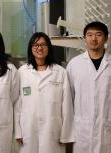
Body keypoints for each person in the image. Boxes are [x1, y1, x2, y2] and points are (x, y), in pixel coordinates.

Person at [14, 32, 74, 153]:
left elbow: (66, 105)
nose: (39, 48)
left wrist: (65, 134)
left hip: (52, 130)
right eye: (35, 45)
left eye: (43, 45)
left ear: (48, 48)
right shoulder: (22, 72)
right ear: (31, 48)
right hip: (28, 129)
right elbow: (17, 104)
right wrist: (18, 131)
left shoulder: (60, 72)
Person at [66, 21, 110, 153]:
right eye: (89, 35)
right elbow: (69, 99)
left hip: (106, 128)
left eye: (98, 34)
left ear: (106, 38)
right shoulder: (74, 64)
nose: (94, 39)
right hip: (81, 130)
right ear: (85, 38)